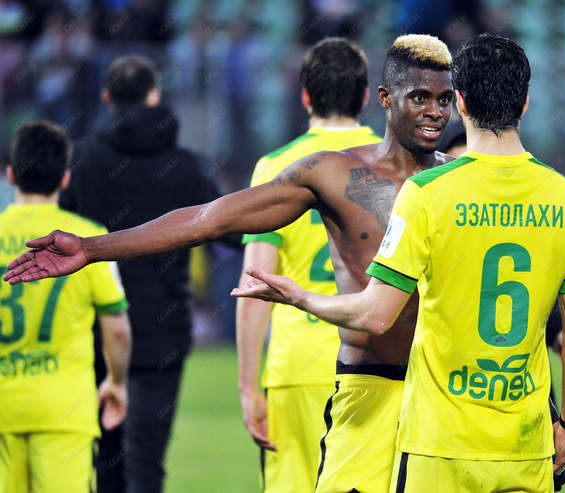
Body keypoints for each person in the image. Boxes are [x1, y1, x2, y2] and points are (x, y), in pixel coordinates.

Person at [4, 34, 455, 492]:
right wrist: (92, 248)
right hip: (369, 389)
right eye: (420, 97)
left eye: (444, 100)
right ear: (383, 97)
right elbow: (208, 219)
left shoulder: (462, 181)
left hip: (446, 393)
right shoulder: (332, 172)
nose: (435, 112)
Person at [232, 34, 565, 493]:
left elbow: (375, 313)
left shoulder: (426, 192)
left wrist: (299, 297)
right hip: (523, 436)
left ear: (460, 102)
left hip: (428, 427)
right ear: (525, 104)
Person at [58, 55, 223, 493]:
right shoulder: (190, 165)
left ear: (106, 97)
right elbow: (231, 231)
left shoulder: (82, 161)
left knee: (106, 459)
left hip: (94, 326)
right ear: (154, 96)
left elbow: (57, 235)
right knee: (148, 460)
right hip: (163, 333)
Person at [236, 37, 380, 492]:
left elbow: (254, 283)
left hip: (297, 364)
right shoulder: (392, 164)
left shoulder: (275, 166)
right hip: (374, 360)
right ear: (365, 96)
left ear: (304, 96)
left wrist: (248, 385)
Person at [0, 120, 131, 493]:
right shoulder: (87, 239)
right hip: (64, 406)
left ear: (11, 175)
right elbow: (117, 326)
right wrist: (116, 383)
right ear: (64, 179)